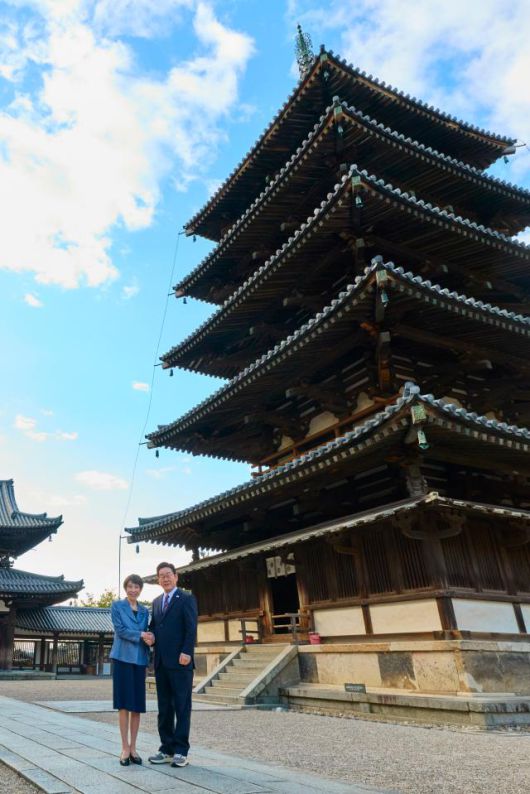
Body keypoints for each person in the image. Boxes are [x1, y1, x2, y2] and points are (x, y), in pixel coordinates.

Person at [148, 561, 198, 769]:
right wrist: (149, 636)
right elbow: (154, 627)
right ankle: (166, 748)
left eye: (168, 574)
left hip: (180, 661)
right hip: (161, 661)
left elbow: (191, 626)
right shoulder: (156, 601)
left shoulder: (186, 598)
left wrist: (187, 651)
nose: (165, 578)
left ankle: (180, 751)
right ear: (158, 579)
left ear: (176, 576)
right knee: (164, 707)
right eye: (161, 575)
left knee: (182, 706)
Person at [109, 573, 152, 766]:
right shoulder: (117, 606)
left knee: (137, 706)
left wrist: (151, 637)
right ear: (125, 588)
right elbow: (121, 630)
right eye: (130, 586)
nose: (133, 590)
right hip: (122, 658)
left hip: (139, 659)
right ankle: (124, 747)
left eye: (137, 587)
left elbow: (148, 632)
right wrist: (142, 634)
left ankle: (134, 747)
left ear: (140, 589)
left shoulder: (144, 611)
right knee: (124, 704)